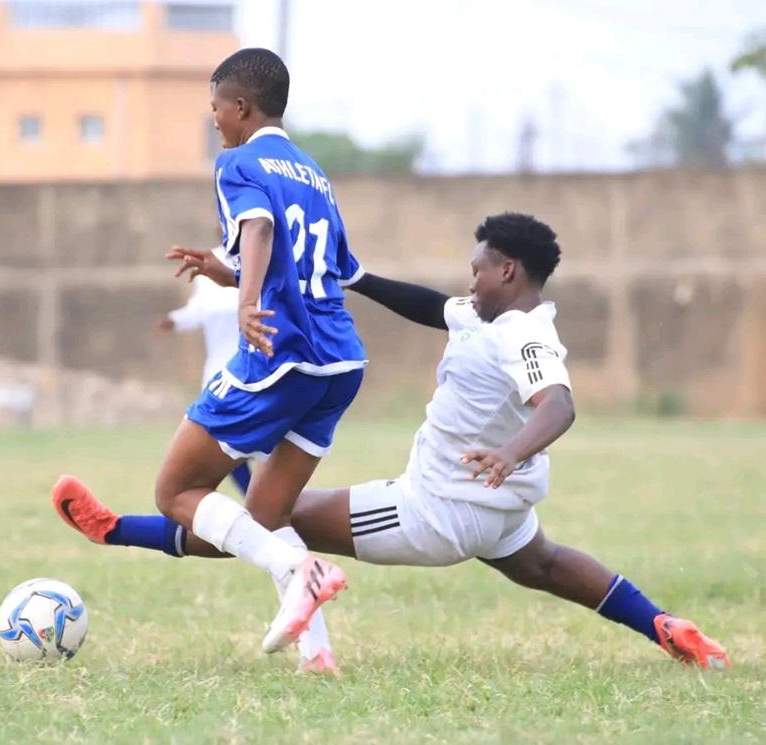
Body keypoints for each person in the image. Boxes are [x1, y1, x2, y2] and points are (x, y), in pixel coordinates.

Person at [54, 212, 730, 670]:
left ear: (511, 273)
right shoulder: (483, 314)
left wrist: (510, 451)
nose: (469, 279)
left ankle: (118, 528)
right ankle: (668, 627)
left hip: (436, 508)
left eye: (479, 268)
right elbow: (431, 305)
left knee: (270, 513)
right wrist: (357, 277)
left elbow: (558, 403)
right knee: (548, 565)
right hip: (497, 510)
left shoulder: (526, 333)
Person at [54, 47, 367, 668]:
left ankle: (296, 570)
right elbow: (329, 268)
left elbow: (260, 231)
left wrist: (246, 301)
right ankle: (318, 652)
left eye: (216, 108)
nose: (214, 119)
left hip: (281, 353)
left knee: (177, 490)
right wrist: (222, 274)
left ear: (242, 107)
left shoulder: (237, 162)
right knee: (267, 512)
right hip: (340, 363)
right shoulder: (312, 172)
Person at [158, 273, 251, 494]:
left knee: (264, 441)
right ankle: (254, 498)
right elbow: (197, 311)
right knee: (222, 442)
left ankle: (271, 503)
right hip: (219, 376)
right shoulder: (208, 274)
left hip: (255, 371)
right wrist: (175, 319)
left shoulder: (258, 258)